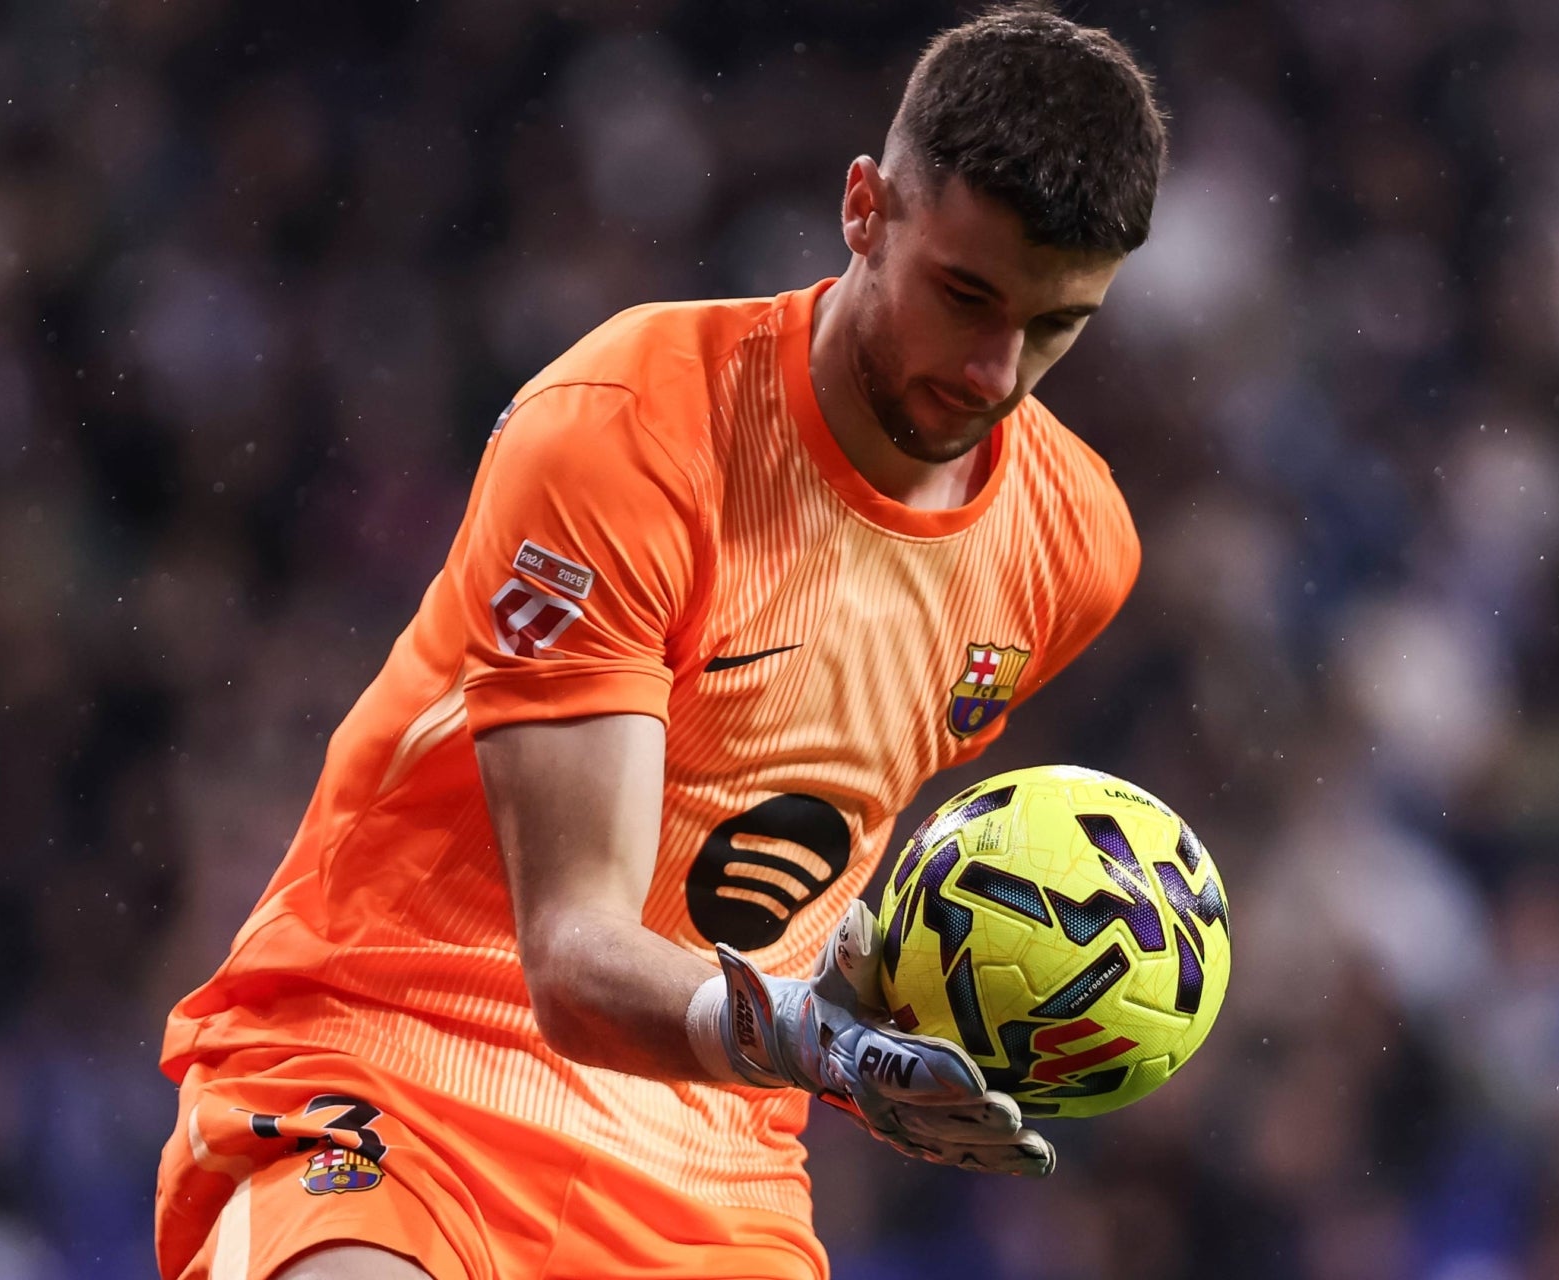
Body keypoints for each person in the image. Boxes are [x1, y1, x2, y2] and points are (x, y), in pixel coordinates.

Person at [153, 7, 1167, 1278]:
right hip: (400, 1065)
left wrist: (926, 973)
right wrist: (822, 1041)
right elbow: (574, 952)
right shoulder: (631, 426)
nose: (992, 370)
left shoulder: (1076, 546)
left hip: (710, 1173)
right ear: (865, 209)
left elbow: (810, 834)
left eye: (1055, 325)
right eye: (963, 294)